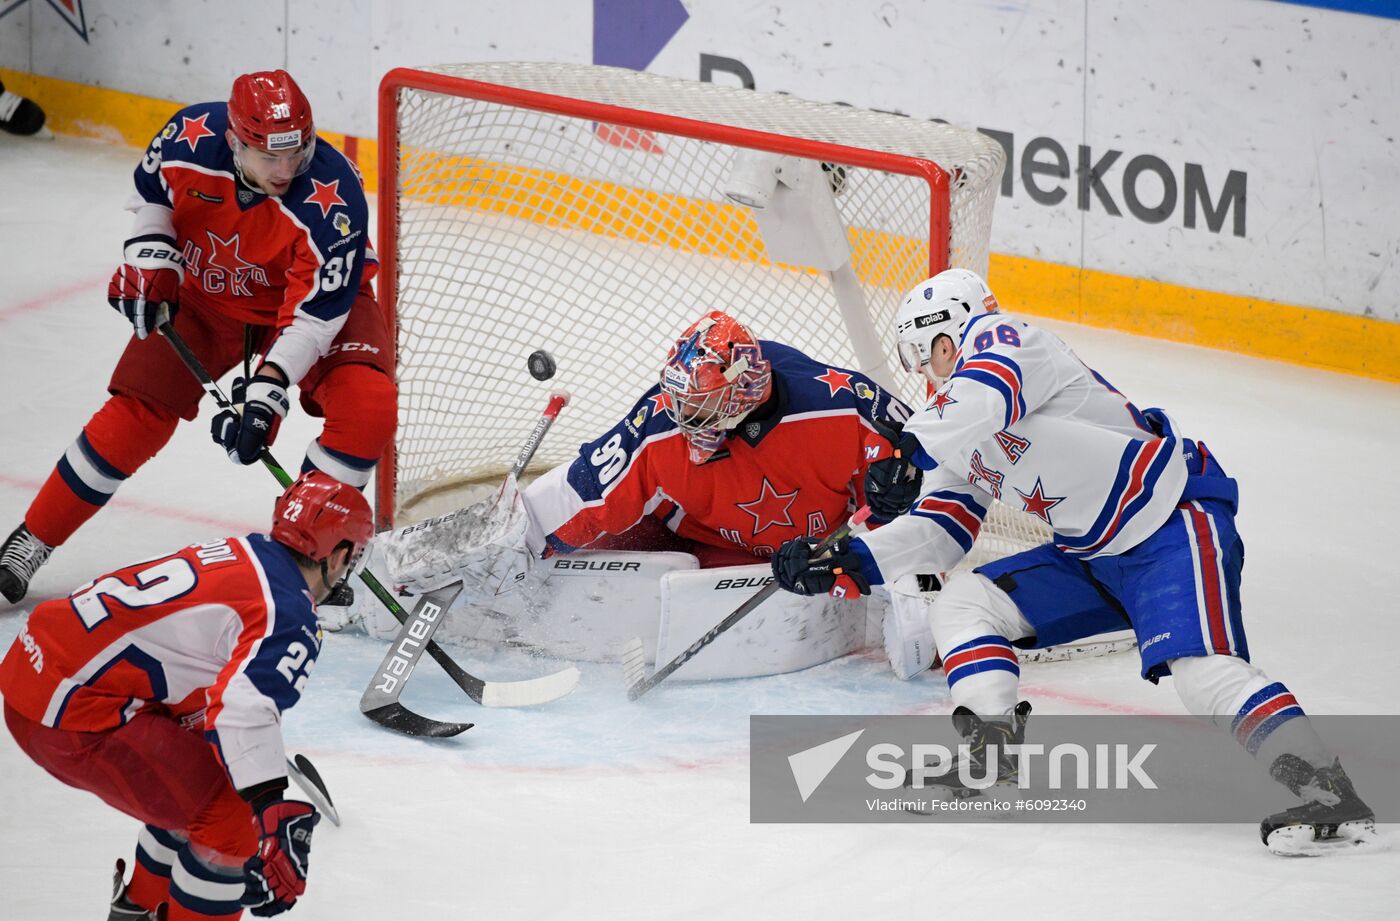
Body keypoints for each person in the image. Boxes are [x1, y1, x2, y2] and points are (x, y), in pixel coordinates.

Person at [771, 268, 1377, 856]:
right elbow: (940, 531)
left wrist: (911, 448)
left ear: (947, 332)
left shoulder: (1009, 340)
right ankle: (991, 756)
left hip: (1171, 525)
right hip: (1091, 553)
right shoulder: (957, 429)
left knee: (1202, 674)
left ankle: (1329, 792)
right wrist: (853, 559)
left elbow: (984, 395)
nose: (923, 374)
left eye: (922, 356)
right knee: (965, 601)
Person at [0, 70, 395, 604]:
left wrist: (268, 391)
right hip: (211, 302)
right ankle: (33, 540)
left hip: (313, 309)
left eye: (297, 153)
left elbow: (314, 317)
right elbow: (151, 198)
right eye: (268, 157)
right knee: (136, 410)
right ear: (234, 142)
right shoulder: (189, 137)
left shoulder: (335, 196)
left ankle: (304, 561)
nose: (286, 170)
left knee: (368, 406)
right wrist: (149, 257)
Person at [349, 308, 910, 624]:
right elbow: (575, 495)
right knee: (550, 548)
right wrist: (450, 555)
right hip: (687, 541)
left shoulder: (843, 406)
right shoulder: (660, 424)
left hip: (810, 557)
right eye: (679, 402)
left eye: (699, 407)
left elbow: (932, 480)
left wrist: (866, 540)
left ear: (745, 394)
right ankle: (379, 566)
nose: (681, 418)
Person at [0, 471, 372, 919]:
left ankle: (139, 909)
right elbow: (243, 711)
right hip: (71, 716)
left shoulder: (240, 551)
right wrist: (269, 803)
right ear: (339, 554)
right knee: (234, 818)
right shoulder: (290, 614)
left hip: (33, 671)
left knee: (201, 762)